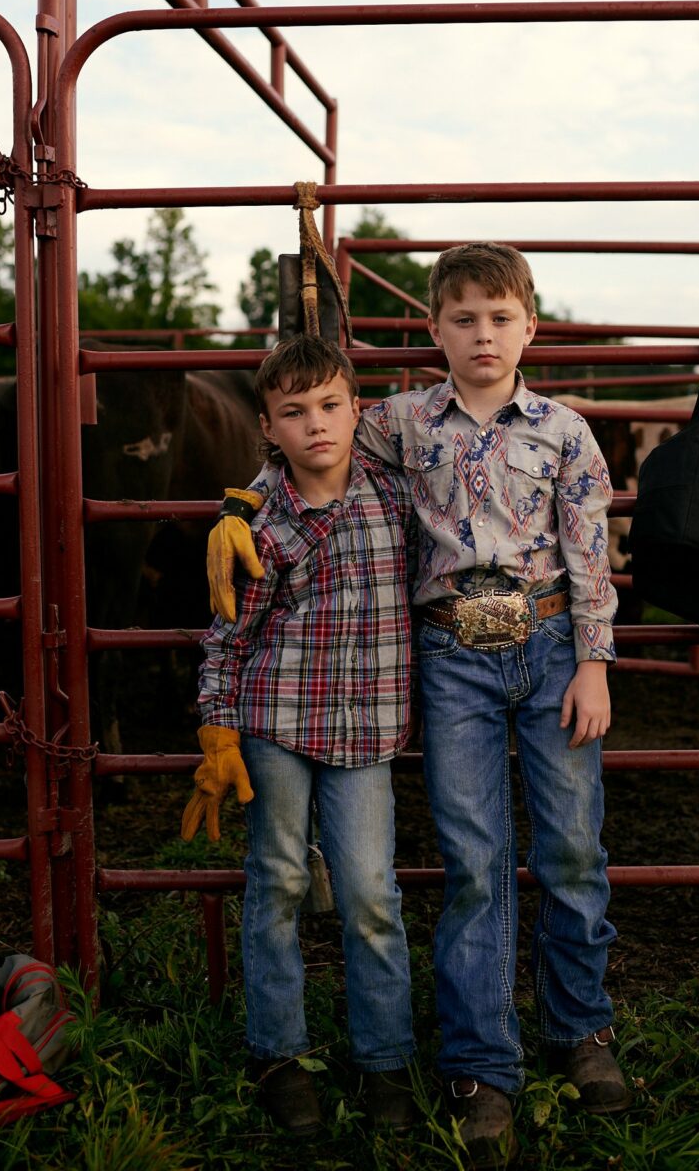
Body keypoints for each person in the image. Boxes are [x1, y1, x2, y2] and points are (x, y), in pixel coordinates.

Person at [208, 243, 629, 1168]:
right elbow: (301, 438)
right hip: (450, 653)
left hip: (554, 643)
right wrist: (238, 505)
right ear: (433, 329)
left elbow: (591, 552)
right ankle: (481, 1067)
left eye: (500, 317)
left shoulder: (565, 431)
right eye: (464, 319)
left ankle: (579, 1030)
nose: (483, 335)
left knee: (569, 844)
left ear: (531, 325)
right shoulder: (396, 420)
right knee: (475, 856)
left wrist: (594, 661)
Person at [182, 334, 418, 1137]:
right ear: (267, 428)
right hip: (276, 724)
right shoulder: (259, 522)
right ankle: (278, 1054)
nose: (316, 425)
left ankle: (385, 1060)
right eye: (294, 413)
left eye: (330, 406)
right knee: (278, 880)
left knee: (370, 896)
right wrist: (218, 725)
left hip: (367, 730)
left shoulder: (395, 492)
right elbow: (227, 636)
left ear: (359, 409)